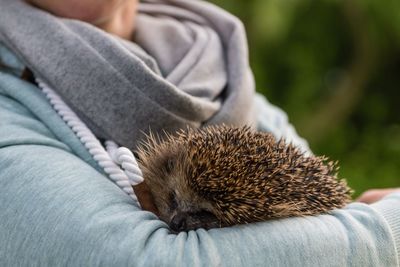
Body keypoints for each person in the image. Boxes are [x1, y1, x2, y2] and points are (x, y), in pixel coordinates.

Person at [0, 0, 399, 266]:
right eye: (174, 201)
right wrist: (385, 229)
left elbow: (323, 224)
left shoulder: (226, 78)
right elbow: (150, 260)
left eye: (199, 215)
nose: (176, 221)